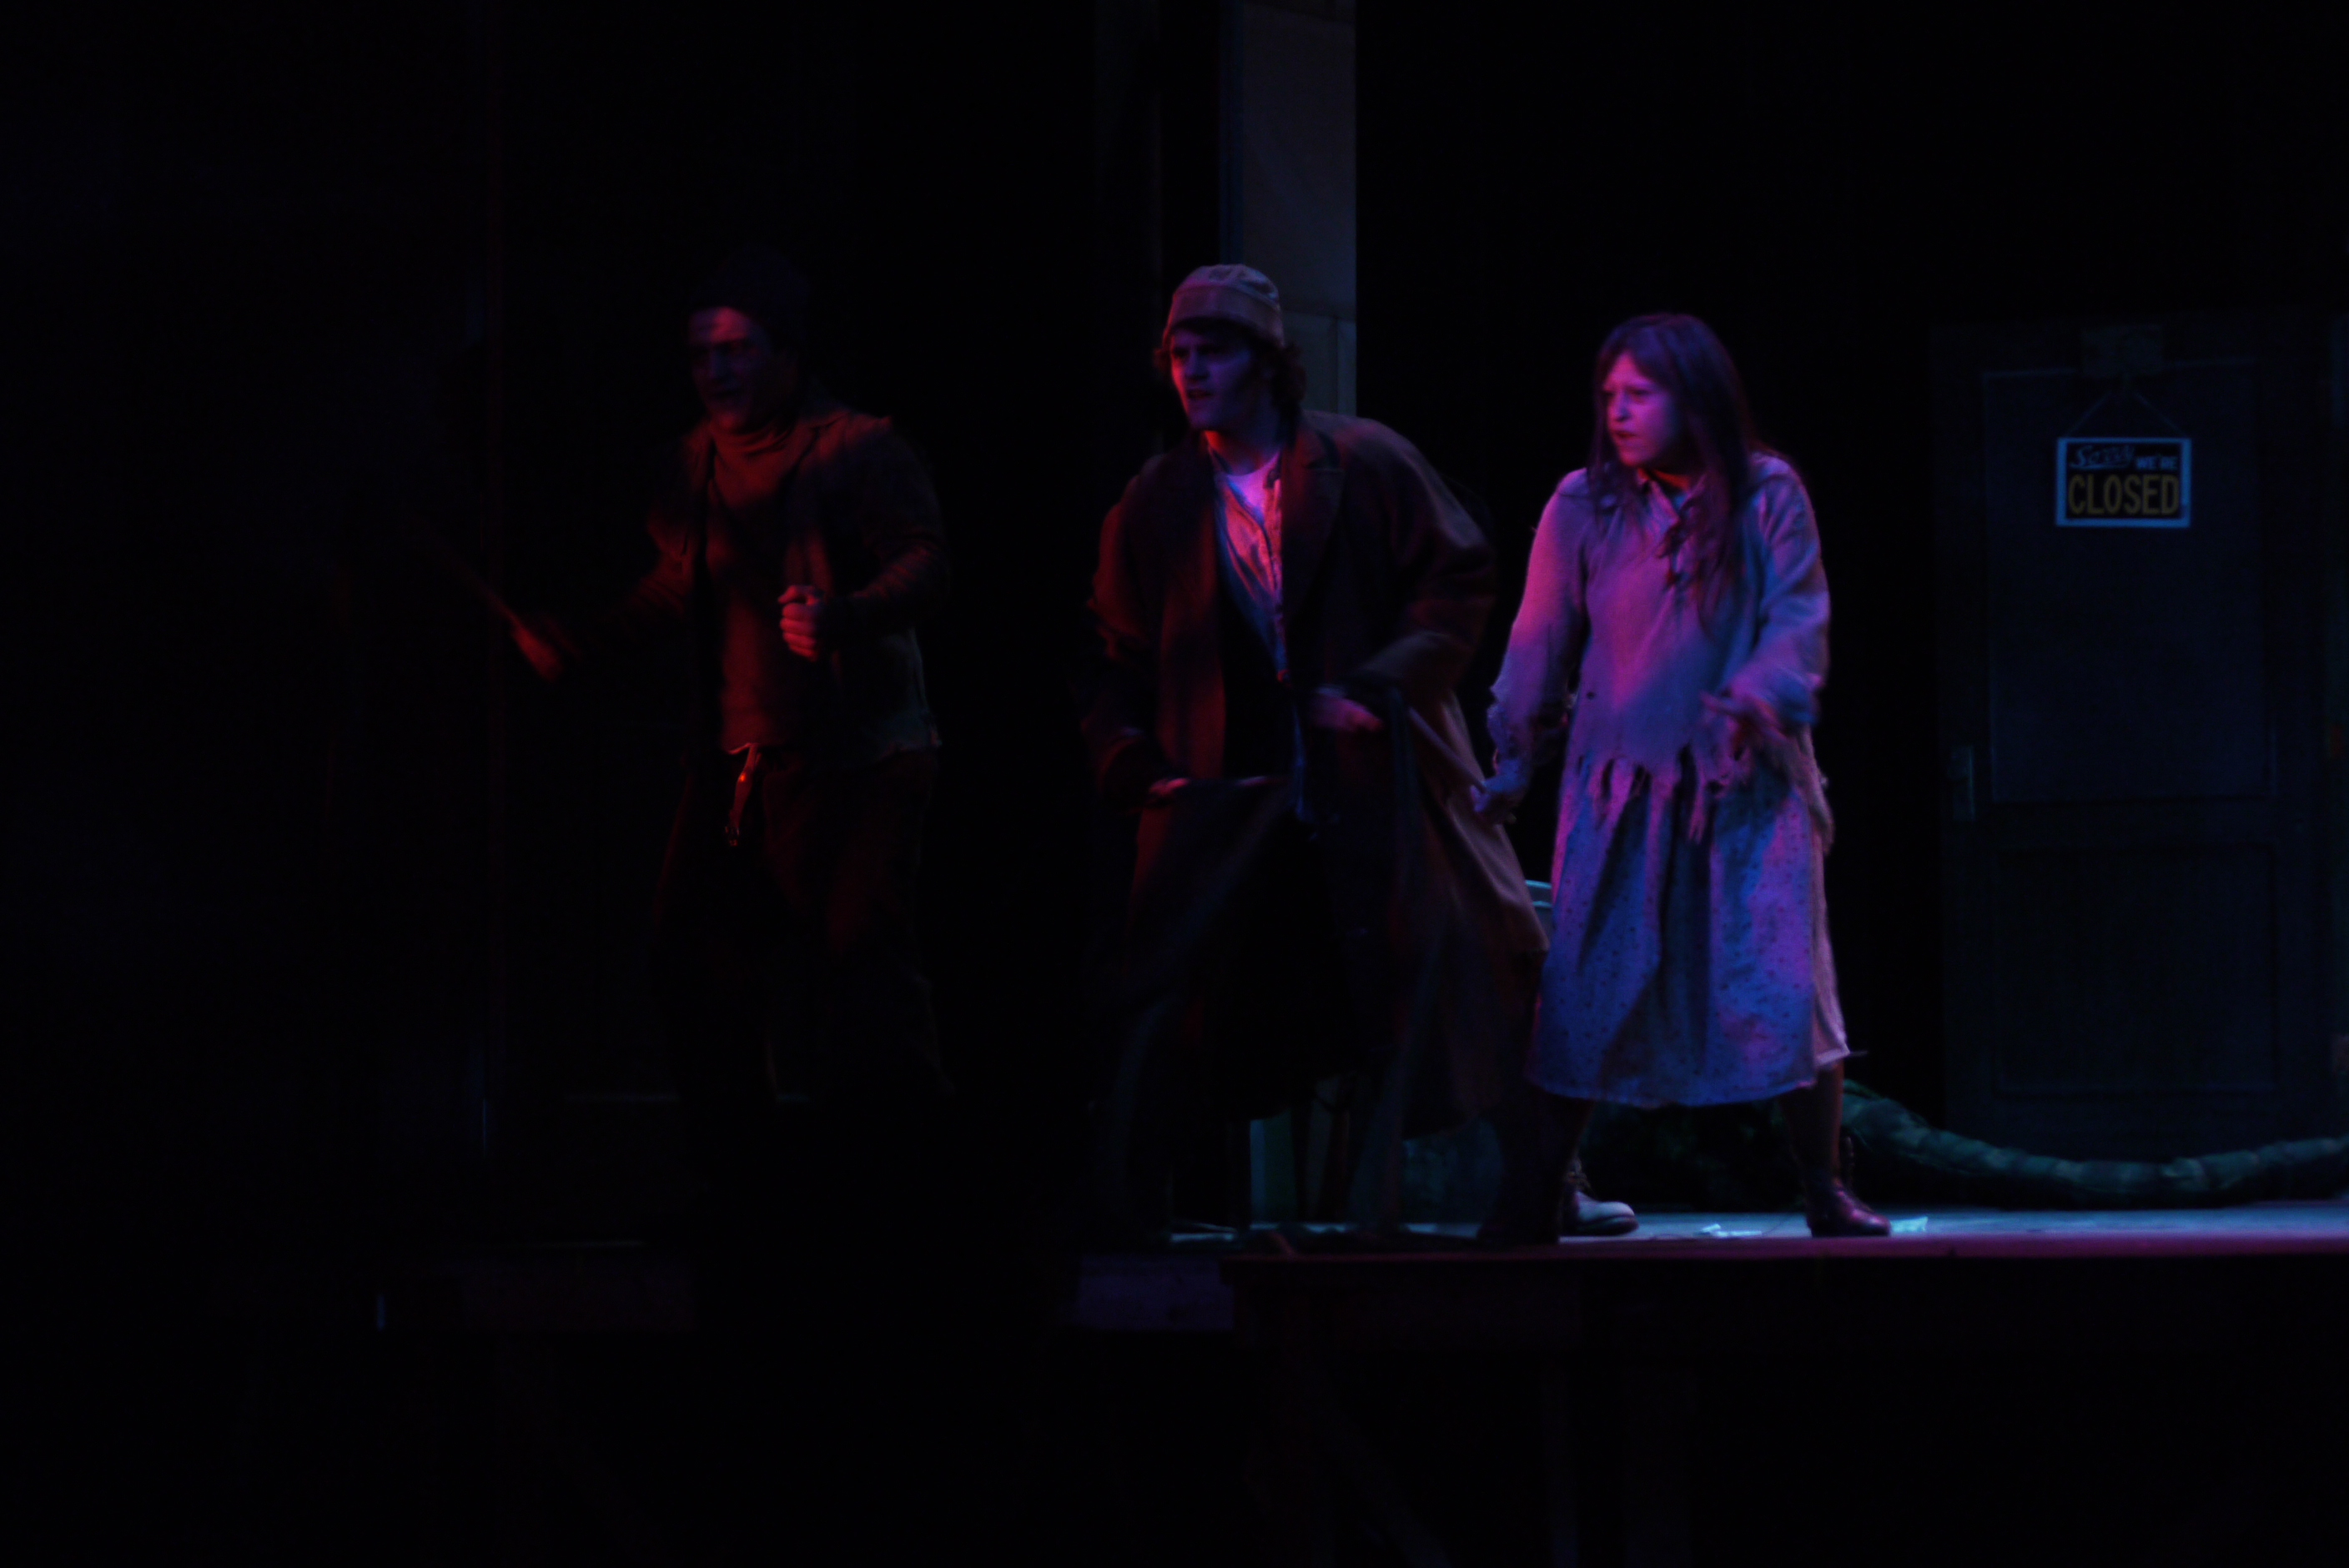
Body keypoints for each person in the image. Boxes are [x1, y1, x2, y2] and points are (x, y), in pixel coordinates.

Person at [1084, 264, 1545, 1239]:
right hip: (1234, 785)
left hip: (1376, 768)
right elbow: (1118, 652)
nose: (1192, 371)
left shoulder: (1361, 459)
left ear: (1266, 360)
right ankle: (1136, 1213)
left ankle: (1534, 1183)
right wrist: (1129, 756)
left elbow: (1456, 576)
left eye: (1213, 351)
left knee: (1458, 954)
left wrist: (1385, 681)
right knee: (1183, 979)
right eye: (1179, 353)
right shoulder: (1159, 499)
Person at [513, 245, 952, 1198]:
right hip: (738, 760)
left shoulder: (859, 446)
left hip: (861, 758)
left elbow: (924, 559)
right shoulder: (692, 463)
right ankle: (741, 1190)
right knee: (694, 964)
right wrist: (582, 639)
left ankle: (904, 1191)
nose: (715, 369)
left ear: (787, 353)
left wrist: (846, 615)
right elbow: (682, 583)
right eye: (701, 353)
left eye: (736, 349)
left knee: (863, 975)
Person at [1475, 313, 1889, 1240]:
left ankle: (1822, 1186)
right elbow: (1539, 638)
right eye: (1609, 396)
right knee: (1586, 991)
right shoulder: (1584, 504)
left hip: (1745, 789)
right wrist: (1514, 757)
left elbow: (1797, 614)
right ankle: (1538, 1188)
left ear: (1695, 396)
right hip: (1621, 791)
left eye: (1641, 394)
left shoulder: (1766, 494)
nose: (1618, 412)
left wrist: (1760, 693)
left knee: (1785, 987)